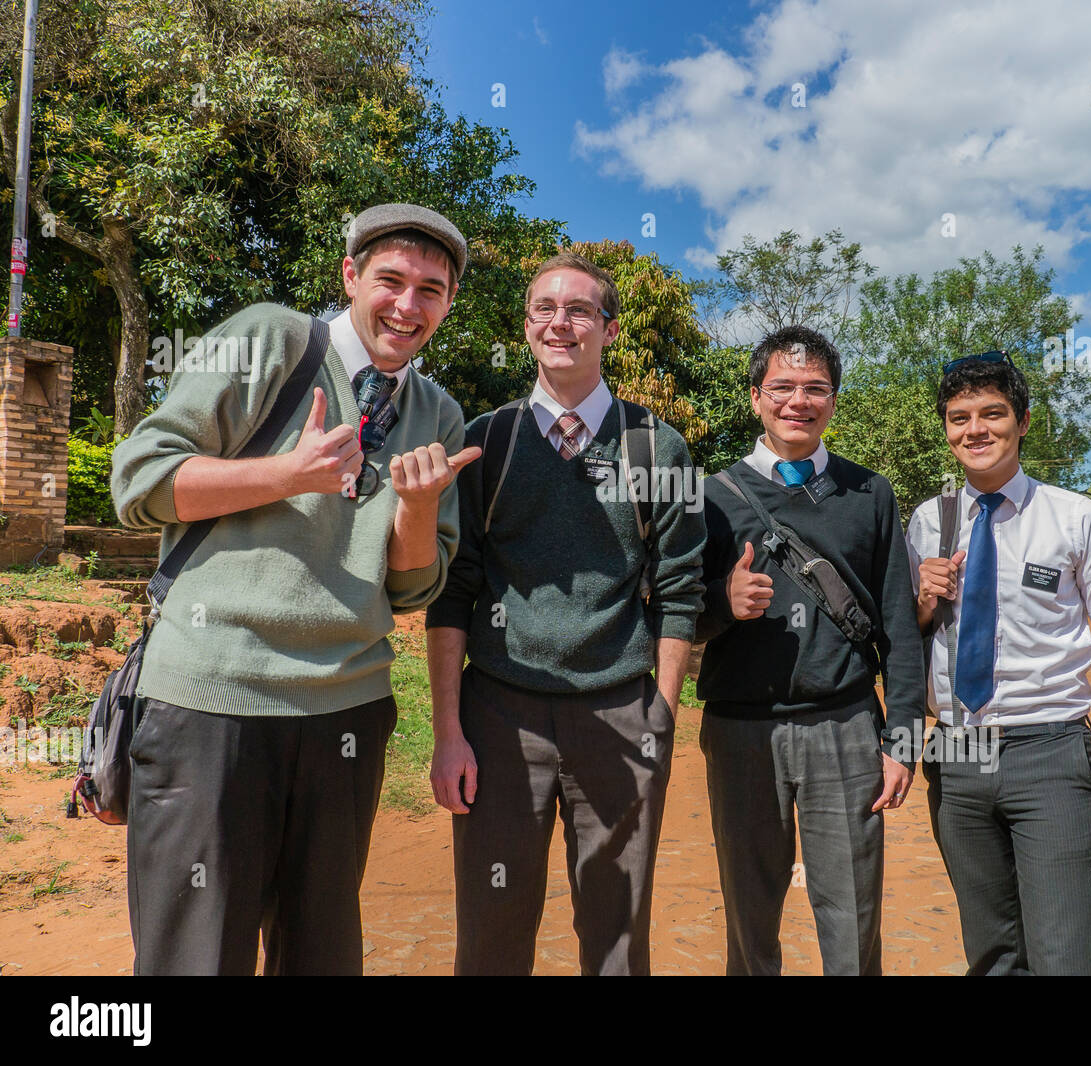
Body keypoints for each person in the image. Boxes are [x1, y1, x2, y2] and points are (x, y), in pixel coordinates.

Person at [111, 203, 478, 975]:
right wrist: (288, 474)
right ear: (349, 276)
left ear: (449, 304)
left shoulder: (437, 412)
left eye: (431, 290)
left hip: (348, 712)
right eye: (391, 281)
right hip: (212, 702)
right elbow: (138, 481)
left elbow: (412, 589)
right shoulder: (272, 340)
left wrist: (415, 509)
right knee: (195, 956)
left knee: (322, 955)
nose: (408, 307)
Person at [425, 252, 706, 976]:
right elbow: (454, 591)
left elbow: (679, 591)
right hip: (499, 717)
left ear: (609, 330)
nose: (561, 322)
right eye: (544, 308)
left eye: (580, 310)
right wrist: (449, 730)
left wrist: (661, 715)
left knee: (617, 933)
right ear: (526, 328)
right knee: (491, 931)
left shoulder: (656, 448)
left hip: (619, 715)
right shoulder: (488, 443)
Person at [907, 350, 1091, 976]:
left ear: (1022, 421)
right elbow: (907, 641)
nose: (976, 430)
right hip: (957, 757)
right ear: (946, 428)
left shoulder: (1075, 518)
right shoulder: (926, 523)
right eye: (959, 417)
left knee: (1069, 952)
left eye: (993, 413)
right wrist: (920, 600)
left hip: (1050, 752)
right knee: (992, 953)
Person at [693, 326, 925, 976]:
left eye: (815, 388)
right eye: (783, 387)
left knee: (852, 920)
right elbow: (676, 616)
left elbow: (899, 625)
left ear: (833, 398)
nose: (799, 400)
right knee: (749, 919)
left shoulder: (870, 494)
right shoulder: (712, 497)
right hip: (742, 734)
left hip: (846, 730)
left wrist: (901, 736)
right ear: (756, 398)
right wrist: (723, 600)